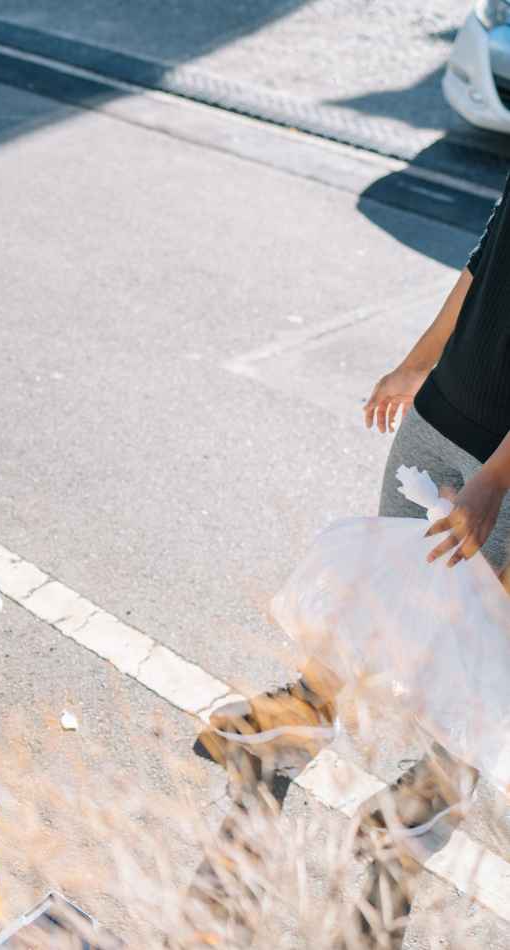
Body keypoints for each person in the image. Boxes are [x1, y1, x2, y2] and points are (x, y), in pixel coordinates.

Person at [198, 185, 510, 944]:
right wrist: (414, 368)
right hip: (442, 418)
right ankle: (291, 731)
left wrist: (494, 482)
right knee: (374, 605)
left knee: (483, 670)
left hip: (501, 470)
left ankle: (403, 828)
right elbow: (482, 267)